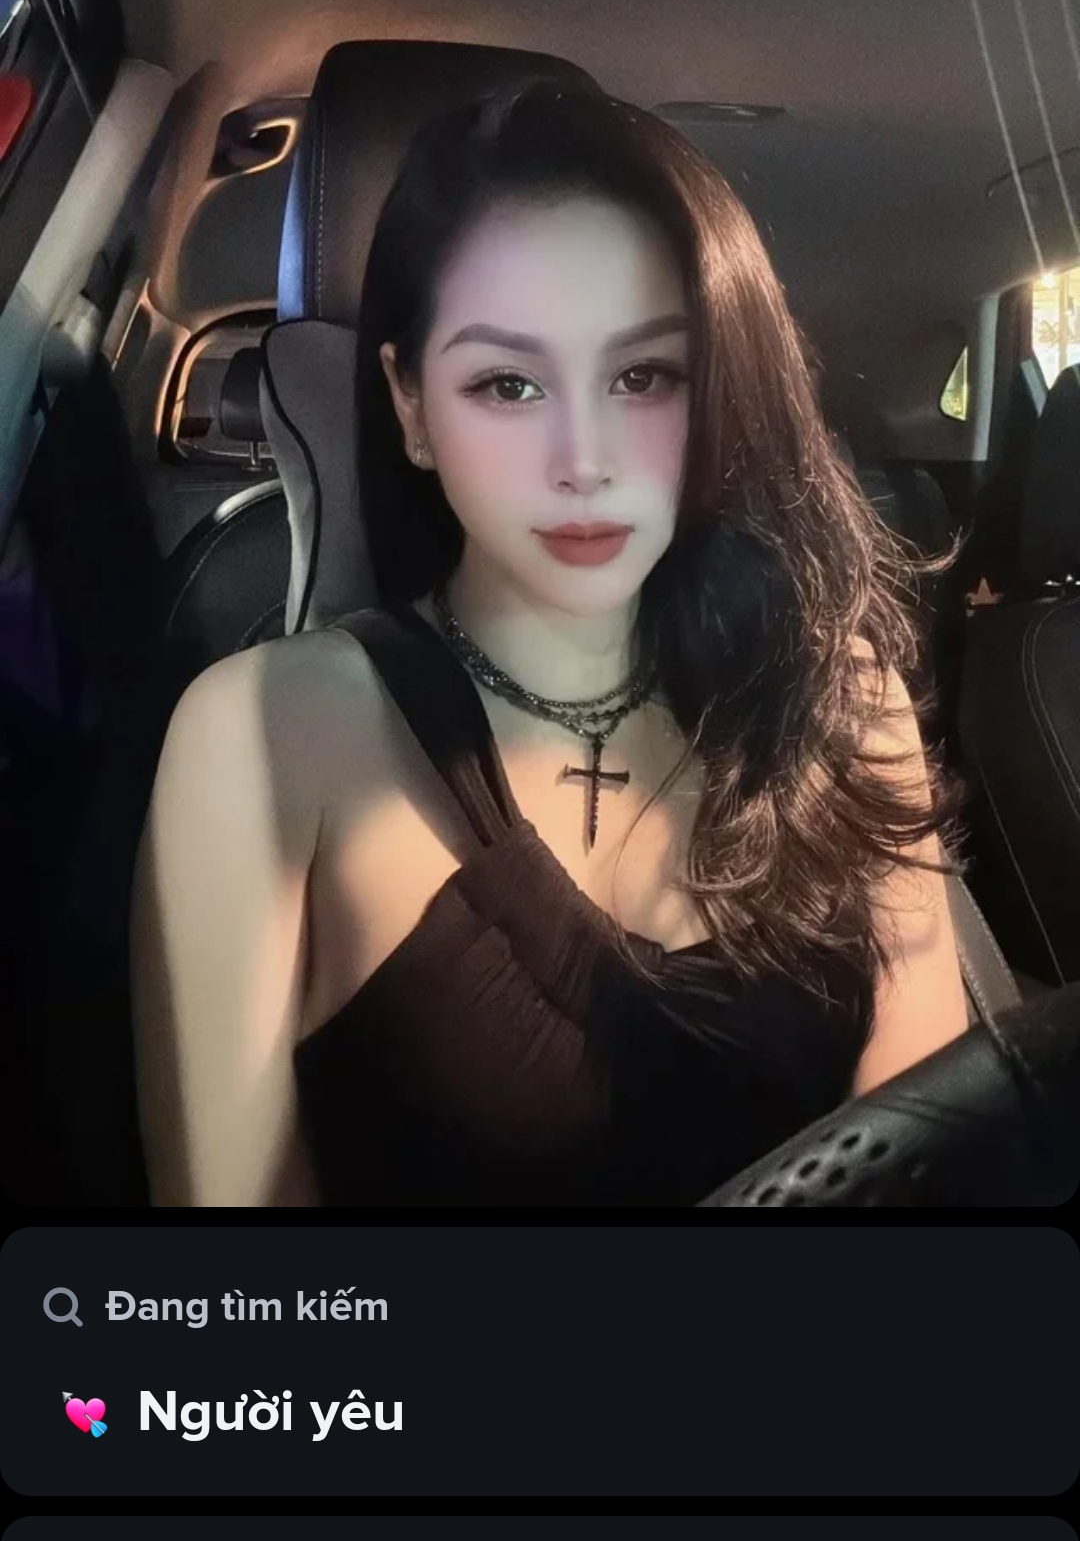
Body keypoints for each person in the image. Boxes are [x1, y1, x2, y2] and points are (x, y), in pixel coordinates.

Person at [131, 78, 969, 1206]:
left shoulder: (840, 700)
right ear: (412, 406)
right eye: (509, 383)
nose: (585, 459)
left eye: (643, 376)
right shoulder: (266, 737)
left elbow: (930, 1170)